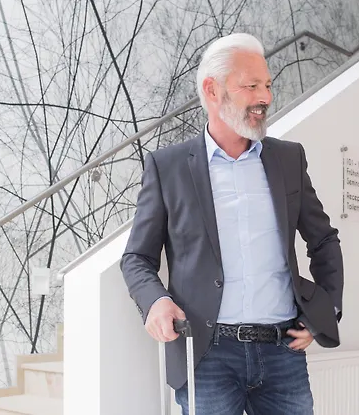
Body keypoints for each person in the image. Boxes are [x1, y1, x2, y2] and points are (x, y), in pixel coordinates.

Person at [120, 33, 344, 415]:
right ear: (213, 90)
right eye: (251, 86)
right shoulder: (168, 167)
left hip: (283, 351)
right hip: (208, 356)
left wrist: (325, 312)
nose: (265, 97)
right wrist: (156, 301)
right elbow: (136, 258)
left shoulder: (289, 159)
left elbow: (323, 240)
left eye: (268, 85)